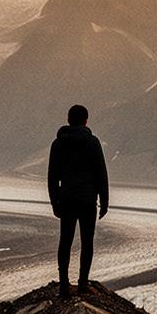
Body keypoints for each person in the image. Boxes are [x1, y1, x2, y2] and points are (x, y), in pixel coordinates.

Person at [47, 104, 109, 291]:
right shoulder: (92, 143)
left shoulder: (58, 144)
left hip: (66, 199)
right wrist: (104, 201)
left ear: (68, 119)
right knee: (87, 242)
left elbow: (52, 176)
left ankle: (64, 284)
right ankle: (83, 283)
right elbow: (101, 173)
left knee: (65, 241)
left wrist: (54, 202)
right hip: (88, 199)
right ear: (85, 120)